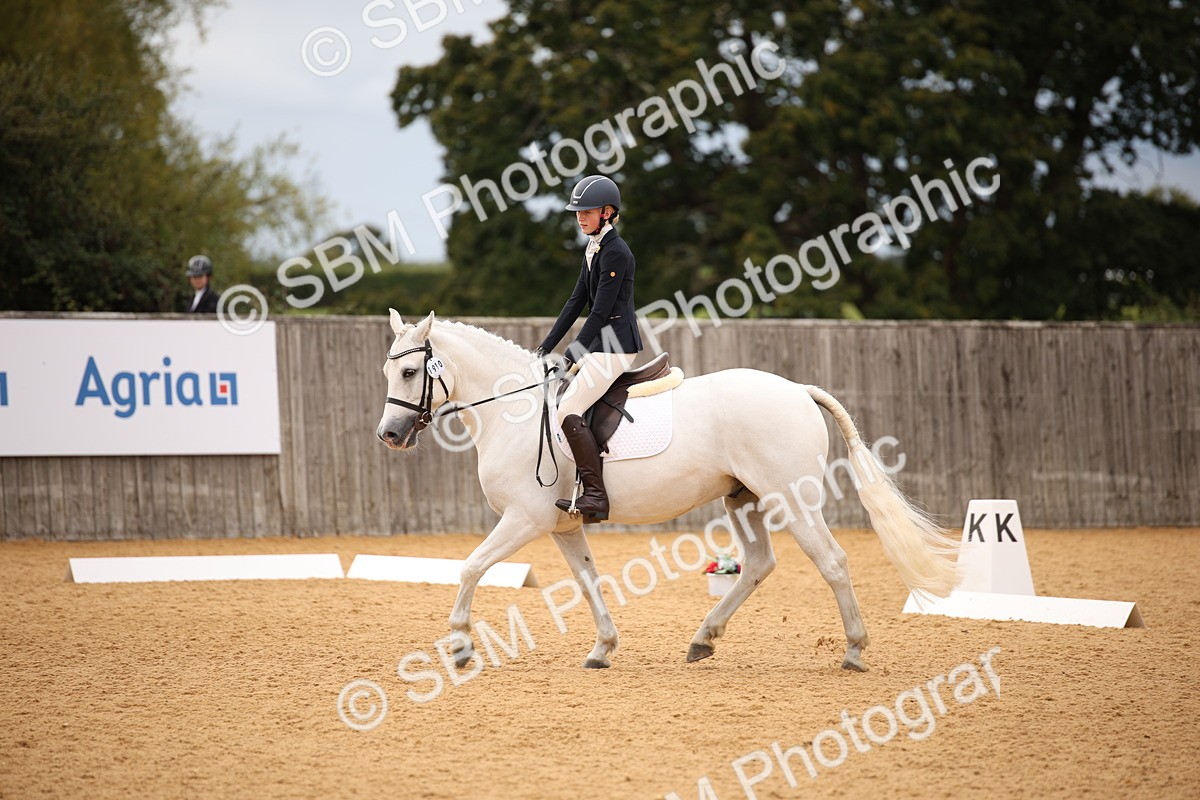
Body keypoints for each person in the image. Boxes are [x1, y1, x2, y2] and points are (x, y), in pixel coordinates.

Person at [534, 175, 643, 521]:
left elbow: (599, 312)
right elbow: (576, 300)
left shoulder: (616, 252)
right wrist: (547, 346)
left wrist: (572, 354)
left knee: (567, 412)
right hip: (600, 344)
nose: (580, 217)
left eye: (587, 211)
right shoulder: (593, 247)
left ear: (607, 213)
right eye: (577, 212)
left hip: (616, 345)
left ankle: (596, 495)